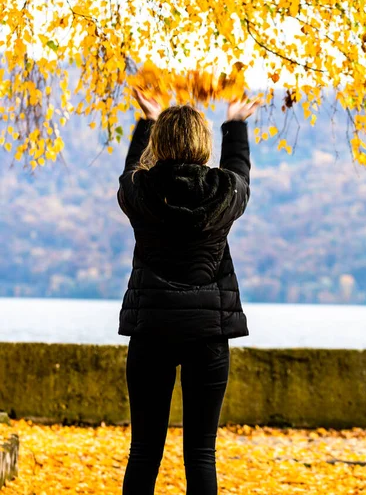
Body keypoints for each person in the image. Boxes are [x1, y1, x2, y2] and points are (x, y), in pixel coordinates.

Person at [117, 90, 260, 495]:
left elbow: (132, 171)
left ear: (159, 144)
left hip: (151, 334)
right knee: (201, 453)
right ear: (203, 143)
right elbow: (240, 171)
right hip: (208, 336)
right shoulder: (224, 192)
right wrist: (235, 124)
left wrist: (146, 122)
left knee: (143, 451)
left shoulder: (140, 192)